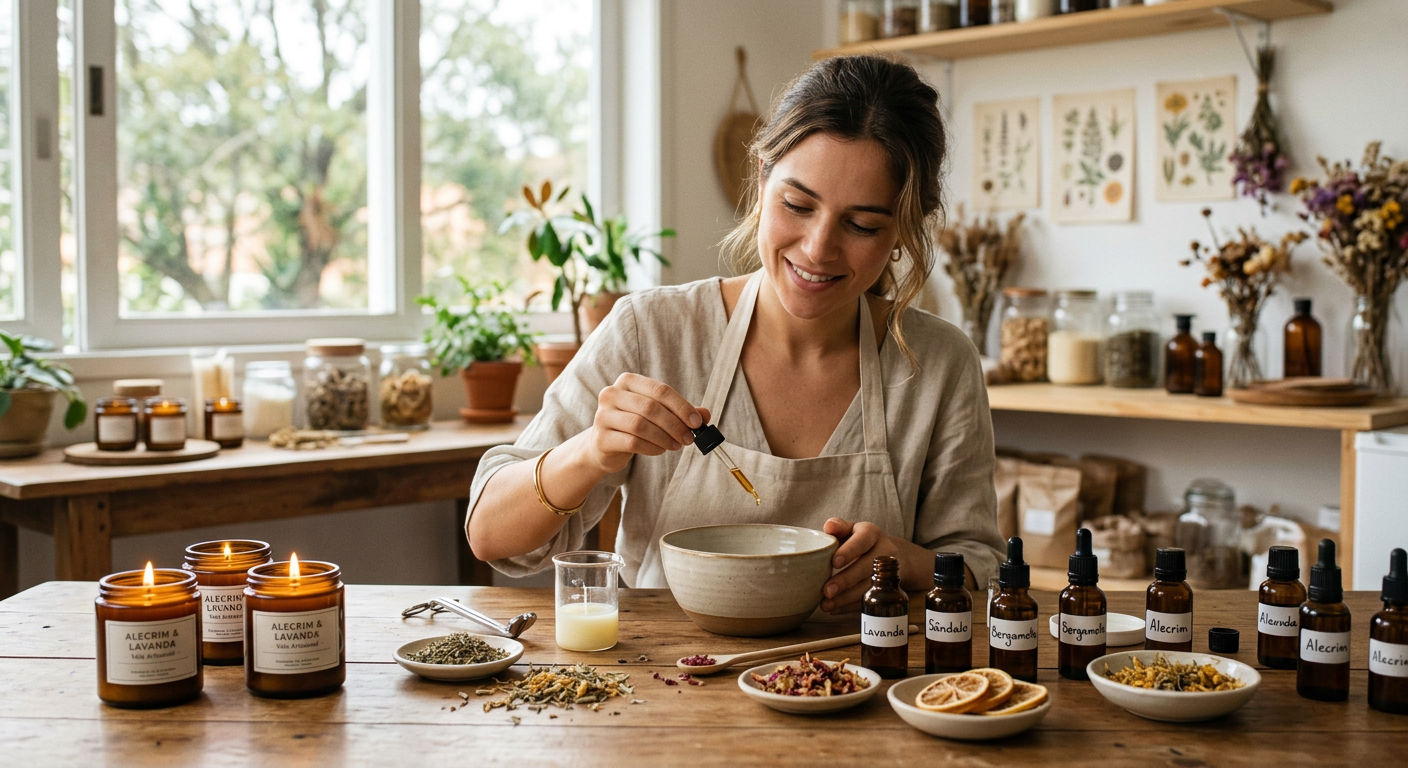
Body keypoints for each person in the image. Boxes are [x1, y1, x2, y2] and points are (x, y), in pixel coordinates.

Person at [466, 55, 1003, 613]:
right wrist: (591, 450)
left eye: (862, 224)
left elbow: (980, 567)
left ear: (903, 231)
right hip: (667, 684)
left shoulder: (939, 363)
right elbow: (491, 537)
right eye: (797, 205)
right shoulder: (651, 331)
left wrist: (903, 561)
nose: (818, 248)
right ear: (762, 178)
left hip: (862, 682)